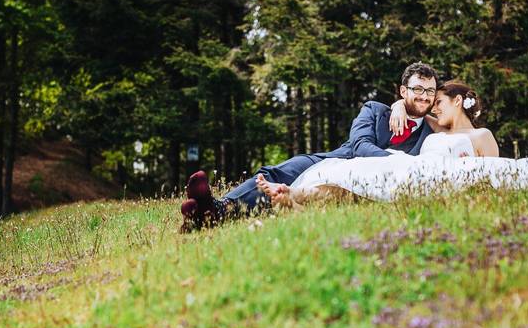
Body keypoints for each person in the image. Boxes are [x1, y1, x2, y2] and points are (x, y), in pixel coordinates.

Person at [180, 62, 439, 231]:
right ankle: (216, 208)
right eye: (418, 88)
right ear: (403, 91)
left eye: (430, 91)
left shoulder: (431, 134)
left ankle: (209, 215)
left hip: (363, 186)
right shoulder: (374, 110)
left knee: (290, 191)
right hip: (337, 159)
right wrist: (395, 150)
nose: (424, 96)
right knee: (277, 172)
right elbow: (359, 145)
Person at [255, 80, 499, 206]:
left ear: (457, 101)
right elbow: (414, 109)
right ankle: (296, 197)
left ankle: (296, 196)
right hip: (412, 168)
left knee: (364, 180)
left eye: (439, 103)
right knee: (356, 174)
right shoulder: (436, 126)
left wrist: (466, 170)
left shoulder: (481, 136)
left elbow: (494, 175)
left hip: (435, 178)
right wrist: (399, 105)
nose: (433, 108)